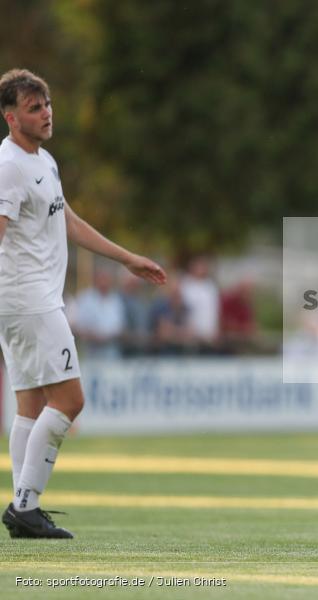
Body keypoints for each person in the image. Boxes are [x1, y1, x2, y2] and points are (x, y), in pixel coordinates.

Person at [0, 69, 167, 538]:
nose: (47, 112)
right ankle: (25, 507)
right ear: (12, 118)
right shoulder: (9, 166)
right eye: (35, 108)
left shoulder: (43, 161)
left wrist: (127, 258)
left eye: (47, 103)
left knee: (30, 407)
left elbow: (67, 221)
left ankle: (23, 508)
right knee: (71, 400)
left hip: (27, 300)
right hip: (27, 298)